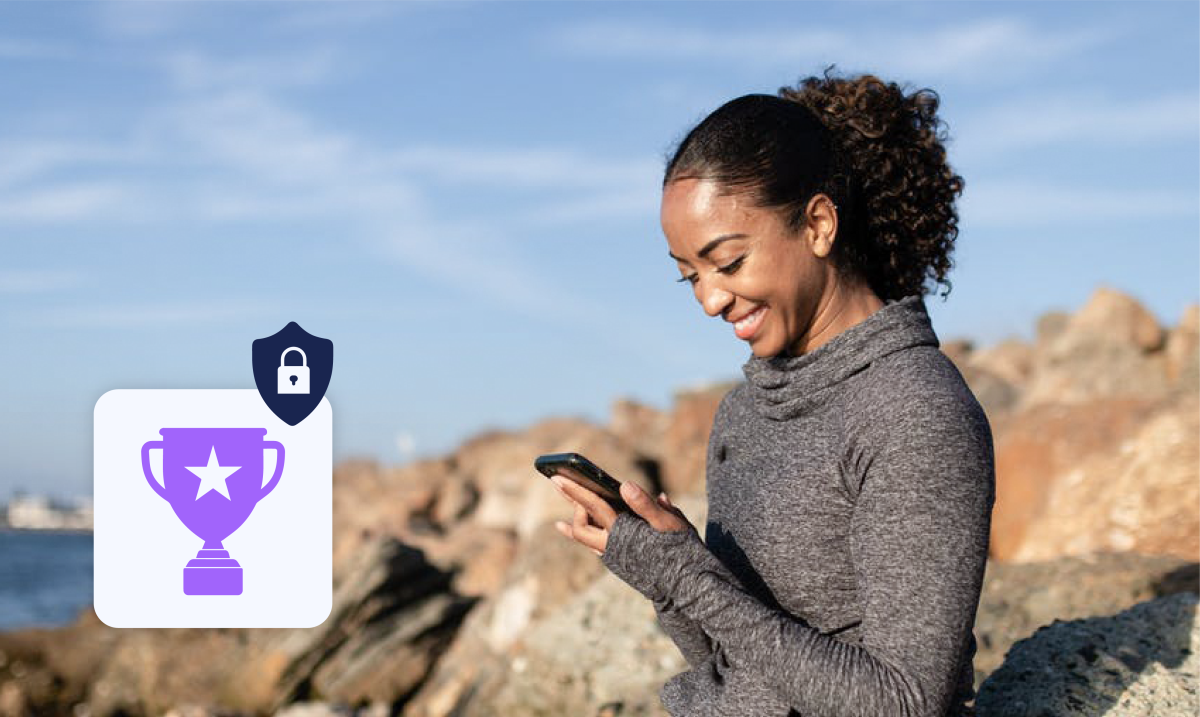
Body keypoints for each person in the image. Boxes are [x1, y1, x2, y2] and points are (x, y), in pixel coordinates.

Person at [550, 70, 995, 717]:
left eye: (727, 262)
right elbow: (733, 670)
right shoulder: (744, 413)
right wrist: (664, 573)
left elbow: (904, 701)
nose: (708, 299)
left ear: (817, 224)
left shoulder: (914, 411)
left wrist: (685, 575)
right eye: (689, 276)